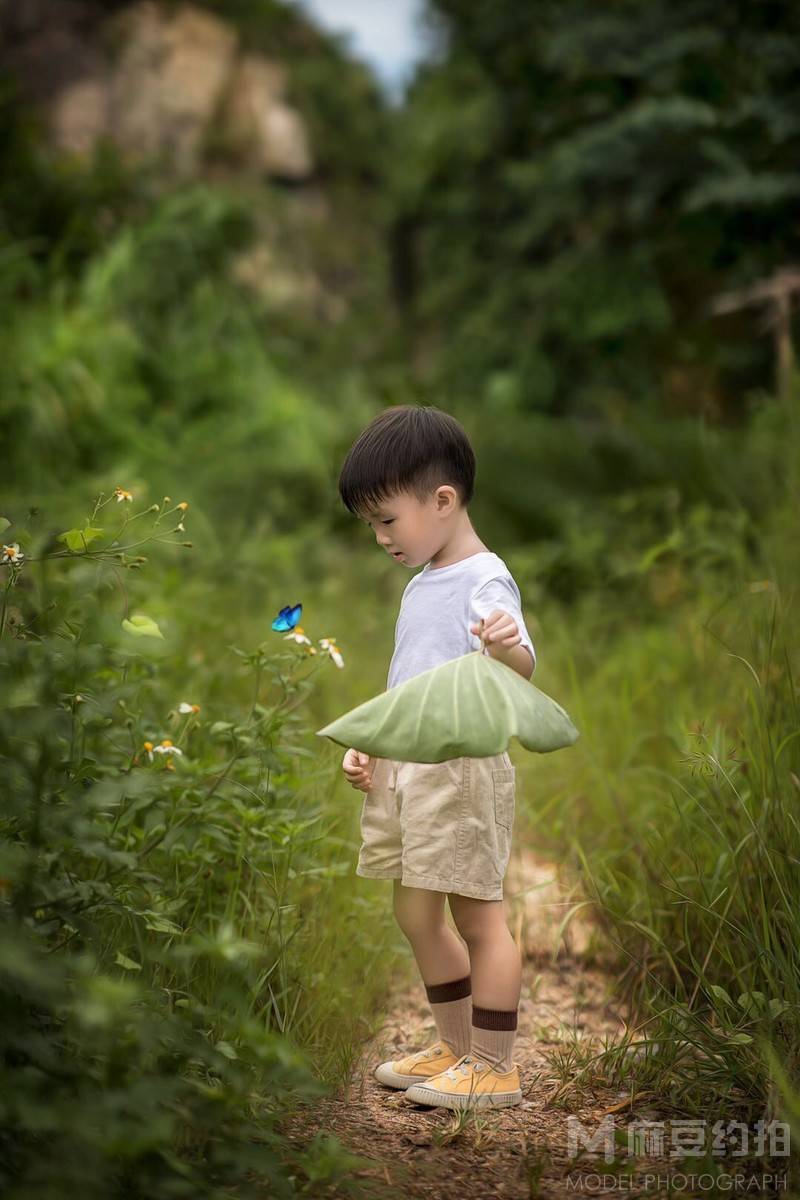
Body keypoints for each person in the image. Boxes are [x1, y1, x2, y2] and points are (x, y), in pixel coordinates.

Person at [337, 404, 536, 1110]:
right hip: (411, 768)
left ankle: (494, 1065)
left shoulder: (484, 578)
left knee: (478, 918)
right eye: (372, 524)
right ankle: (454, 1048)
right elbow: (411, 681)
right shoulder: (423, 582)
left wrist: (506, 644)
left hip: (460, 767)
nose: (380, 536)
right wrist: (375, 742)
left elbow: (522, 665)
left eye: (387, 519)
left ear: (443, 501)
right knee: (415, 913)